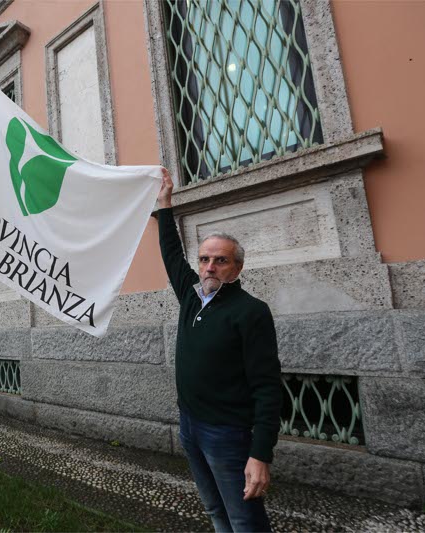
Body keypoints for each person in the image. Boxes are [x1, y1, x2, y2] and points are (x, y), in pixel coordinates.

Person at [157, 168, 282, 533]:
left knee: (245, 520)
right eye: (204, 259)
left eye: (220, 260)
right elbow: (170, 252)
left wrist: (260, 454)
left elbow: (268, 386)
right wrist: (165, 204)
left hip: (227, 434)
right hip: (191, 427)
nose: (209, 266)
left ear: (237, 267)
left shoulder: (250, 312)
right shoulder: (191, 297)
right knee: (215, 510)